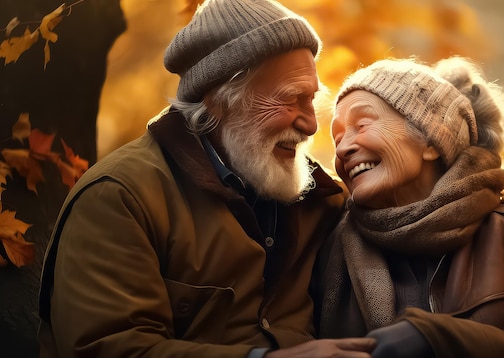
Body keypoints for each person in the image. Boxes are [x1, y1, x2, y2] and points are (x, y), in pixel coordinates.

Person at [37, 0, 377, 357]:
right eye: (291, 100)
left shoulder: (321, 201)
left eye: (311, 100)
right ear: (219, 100)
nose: (310, 125)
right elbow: (106, 347)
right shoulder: (121, 197)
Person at [314, 57, 504, 357]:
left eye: (362, 124)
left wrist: (443, 340)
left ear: (432, 141)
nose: (342, 148)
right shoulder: (328, 245)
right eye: (338, 137)